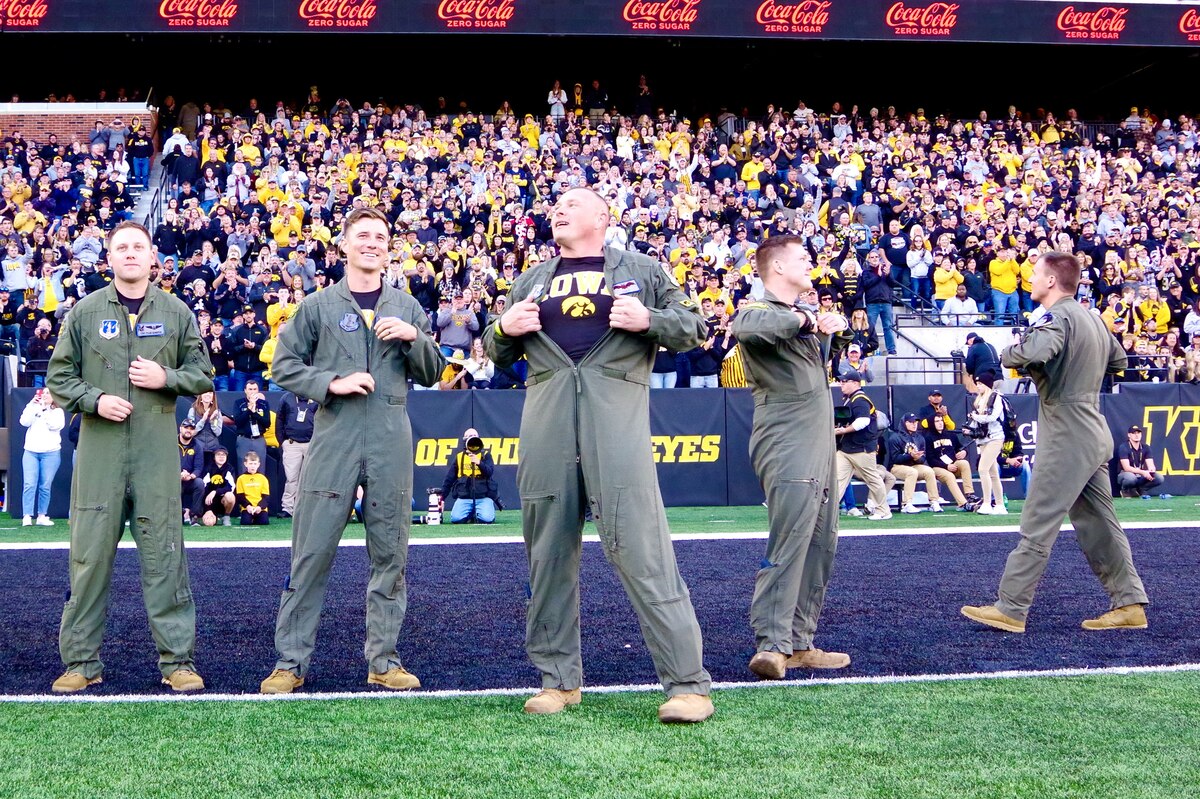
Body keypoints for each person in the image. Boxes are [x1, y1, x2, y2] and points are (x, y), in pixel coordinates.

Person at [483, 187, 714, 724]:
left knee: (642, 547)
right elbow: (497, 351)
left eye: (571, 203)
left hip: (616, 418)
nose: (558, 210)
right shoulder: (532, 278)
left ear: (602, 217)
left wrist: (649, 321)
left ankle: (688, 685)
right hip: (545, 418)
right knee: (546, 553)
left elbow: (694, 327)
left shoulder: (643, 268)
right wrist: (501, 329)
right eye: (555, 205)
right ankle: (558, 681)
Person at [259, 207, 444, 695]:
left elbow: (432, 371)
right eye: (363, 236)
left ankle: (383, 661)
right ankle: (289, 663)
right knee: (311, 553)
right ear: (343, 245)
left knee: (391, 554)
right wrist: (332, 383)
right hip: (334, 438)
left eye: (381, 237)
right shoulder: (318, 305)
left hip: (389, 437)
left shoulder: (406, 307)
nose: (373, 243)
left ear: (389, 248)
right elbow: (283, 365)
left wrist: (414, 339)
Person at [46, 220, 214, 694]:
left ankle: (177, 661)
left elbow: (202, 372)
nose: (131, 254)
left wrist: (167, 378)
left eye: (139, 246)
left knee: (164, 554)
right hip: (100, 450)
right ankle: (81, 661)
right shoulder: (84, 311)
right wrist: (94, 399)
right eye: (122, 247)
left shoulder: (177, 311)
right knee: (89, 556)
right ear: (109, 258)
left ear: (152, 256)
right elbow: (60, 377)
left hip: (155, 451)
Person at [962, 252, 1149, 634]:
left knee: (1037, 522)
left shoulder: (1055, 317)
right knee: (1100, 524)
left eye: (1034, 274)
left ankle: (1011, 607)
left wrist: (1009, 354)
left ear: (1050, 281)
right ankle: (1129, 604)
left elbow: (1032, 352)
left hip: (1066, 432)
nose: (1030, 279)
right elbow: (1119, 361)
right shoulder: (1092, 318)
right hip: (1093, 427)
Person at [731, 234, 852, 680]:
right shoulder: (760, 309)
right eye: (802, 257)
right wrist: (808, 321)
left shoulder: (799, 316)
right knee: (791, 540)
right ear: (777, 268)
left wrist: (820, 326)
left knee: (821, 543)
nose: (811, 262)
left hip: (818, 442)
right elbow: (744, 327)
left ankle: (801, 642)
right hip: (787, 440)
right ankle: (772, 644)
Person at [834, 372, 890, 520]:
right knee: (837, 479)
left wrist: (843, 430)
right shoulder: (851, 399)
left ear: (856, 383)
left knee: (873, 479)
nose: (842, 384)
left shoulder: (860, 399)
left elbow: (863, 421)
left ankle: (883, 511)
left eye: (845, 381)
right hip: (846, 449)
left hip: (861, 448)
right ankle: (828, 513)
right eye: (841, 381)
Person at [19, 388, 64, 526]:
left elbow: (55, 426)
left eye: (48, 393)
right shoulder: (33, 407)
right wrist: (31, 405)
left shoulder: (57, 412)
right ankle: (27, 515)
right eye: (43, 393)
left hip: (51, 453)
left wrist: (44, 411)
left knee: (45, 485)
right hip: (31, 451)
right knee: (29, 484)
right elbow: (24, 422)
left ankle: (41, 515)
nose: (44, 395)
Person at [966, 372, 1008, 515]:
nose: (978, 386)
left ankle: (987, 503)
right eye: (977, 384)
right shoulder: (979, 399)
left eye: (980, 384)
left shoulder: (996, 398)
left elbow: (993, 417)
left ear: (987, 385)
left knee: (982, 469)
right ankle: (1000, 504)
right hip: (983, 439)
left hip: (995, 437)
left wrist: (975, 416)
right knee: (993, 472)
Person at [889, 413, 947, 513]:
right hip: (897, 467)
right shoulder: (895, 437)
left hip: (914, 465)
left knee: (929, 471)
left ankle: (934, 501)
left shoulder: (920, 438)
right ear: (904, 423)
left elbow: (923, 459)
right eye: (911, 422)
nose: (914, 424)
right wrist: (910, 456)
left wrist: (917, 458)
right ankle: (907, 504)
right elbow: (895, 458)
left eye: (915, 422)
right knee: (912, 472)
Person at [441, 428, 497, 524]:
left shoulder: (486, 455)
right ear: (464, 440)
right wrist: (442, 498)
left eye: (474, 436)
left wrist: (479, 462)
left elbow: (489, 472)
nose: (472, 438)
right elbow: (449, 480)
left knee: (486, 519)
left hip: (483, 497)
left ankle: (484, 510)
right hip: (464, 497)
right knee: (456, 519)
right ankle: (470, 513)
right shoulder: (459, 457)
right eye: (469, 436)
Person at [925, 414, 981, 511]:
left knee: (964, 463)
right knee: (949, 476)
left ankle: (969, 494)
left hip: (953, 465)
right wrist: (946, 466)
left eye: (941, 420)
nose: (940, 423)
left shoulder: (950, 434)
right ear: (932, 423)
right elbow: (930, 459)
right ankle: (963, 504)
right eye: (937, 421)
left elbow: (960, 448)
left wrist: (964, 452)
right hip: (937, 468)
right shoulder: (928, 437)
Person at [277, 390, 316, 517]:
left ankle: (308, 508)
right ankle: (288, 508)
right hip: (292, 443)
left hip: (311, 444)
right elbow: (280, 418)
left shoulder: (316, 397)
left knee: (311, 478)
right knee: (291, 478)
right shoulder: (287, 398)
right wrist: (282, 441)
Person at [1115, 424, 1166, 498]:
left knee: (1159, 478)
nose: (1136, 435)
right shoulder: (1124, 447)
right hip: (1125, 474)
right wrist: (1143, 472)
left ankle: (1141, 489)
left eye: (1138, 433)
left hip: (1140, 475)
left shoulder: (1145, 447)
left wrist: (1151, 471)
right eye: (1134, 433)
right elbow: (1126, 468)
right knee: (1130, 478)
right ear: (1129, 435)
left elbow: (1151, 464)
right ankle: (1125, 490)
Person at [178, 418, 205, 526]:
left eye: (191, 428)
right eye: (186, 427)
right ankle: (178, 514)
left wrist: (191, 476)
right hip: (175, 478)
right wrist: (179, 474)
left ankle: (194, 516)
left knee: (199, 483)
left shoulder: (197, 446)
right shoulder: (171, 443)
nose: (188, 430)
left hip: (190, 479)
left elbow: (199, 467)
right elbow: (167, 463)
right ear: (180, 428)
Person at [201, 447, 237, 527]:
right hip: (210, 501)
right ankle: (213, 516)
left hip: (223, 501)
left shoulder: (229, 468)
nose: (221, 457)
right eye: (218, 454)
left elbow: (231, 487)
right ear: (214, 457)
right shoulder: (208, 468)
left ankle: (226, 516)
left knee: (230, 496)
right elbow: (204, 488)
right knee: (209, 523)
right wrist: (208, 509)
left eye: (223, 455)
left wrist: (215, 491)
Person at [236, 451, 270, 525]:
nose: (253, 466)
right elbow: (240, 496)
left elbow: (266, 497)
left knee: (264, 522)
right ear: (245, 464)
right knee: (245, 522)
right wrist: (248, 506)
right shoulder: (241, 478)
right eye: (250, 464)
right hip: (247, 508)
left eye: (255, 464)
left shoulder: (263, 478)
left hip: (260, 507)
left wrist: (260, 507)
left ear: (258, 465)